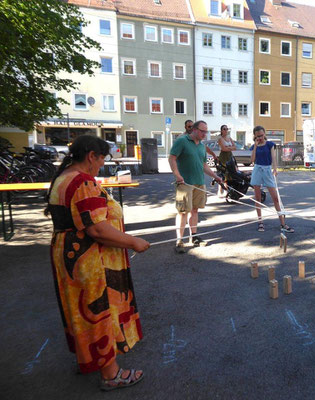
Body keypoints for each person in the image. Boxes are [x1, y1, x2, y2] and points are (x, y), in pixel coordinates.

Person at [45, 135, 150, 391]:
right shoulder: (82, 181)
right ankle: (111, 373)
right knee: (98, 310)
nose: (102, 164)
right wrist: (133, 241)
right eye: (101, 158)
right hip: (88, 258)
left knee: (79, 312)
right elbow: (98, 230)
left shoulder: (64, 176)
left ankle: (88, 358)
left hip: (69, 253)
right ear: (91, 155)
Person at [169, 120, 223, 253]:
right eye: (202, 131)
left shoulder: (202, 146)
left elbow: (204, 165)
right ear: (194, 129)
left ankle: (193, 237)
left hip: (199, 182)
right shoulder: (182, 141)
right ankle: (179, 240)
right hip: (185, 183)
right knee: (183, 212)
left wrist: (215, 176)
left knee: (195, 210)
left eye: (206, 131)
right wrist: (177, 175)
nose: (205, 134)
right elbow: (172, 158)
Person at [250, 126, 294, 233]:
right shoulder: (254, 146)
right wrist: (255, 146)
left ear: (264, 134)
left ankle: (283, 224)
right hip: (257, 169)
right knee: (258, 198)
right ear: (255, 137)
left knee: (275, 198)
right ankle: (260, 222)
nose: (260, 138)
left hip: (267, 170)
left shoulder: (270, 144)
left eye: (261, 135)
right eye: (257, 136)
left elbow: (273, 157)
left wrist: (275, 168)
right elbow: (252, 160)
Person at [217, 124, 236, 197]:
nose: (226, 130)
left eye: (227, 129)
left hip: (229, 156)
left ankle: (226, 190)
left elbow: (235, 147)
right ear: (221, 130)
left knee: (229, 174)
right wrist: (230, 147)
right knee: (222, 173)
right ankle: (220, 190)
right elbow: (223, 149)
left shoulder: (229, 138)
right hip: (223, 157)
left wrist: (228, 147)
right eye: (224, 129)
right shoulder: (220, 138)